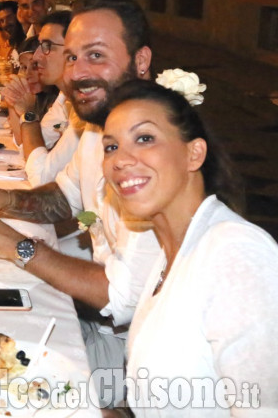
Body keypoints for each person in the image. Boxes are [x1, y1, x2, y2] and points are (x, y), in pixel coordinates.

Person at [0, 0, 161, 406]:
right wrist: (2, 200)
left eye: (96, 56)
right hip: (100, 327)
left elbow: (124, 296)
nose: (78, 73)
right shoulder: (100, 127)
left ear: (141, 60)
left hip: (130, 361)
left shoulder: (158, 151)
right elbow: (64, 196)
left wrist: (16, 246)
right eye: (74, 58)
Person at [102, 80, 278, 415]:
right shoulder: (171, 253)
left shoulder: (234, 252)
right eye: (110, 147)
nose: (120, 161)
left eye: (144, 138)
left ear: (193, 154)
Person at [4, 11, 83, 187]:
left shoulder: (86, 106)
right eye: (40, 46)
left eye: (47, 46)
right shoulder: (64, 98)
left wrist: (28, 113)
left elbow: (41, 178)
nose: (38, 57)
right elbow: (27, 149)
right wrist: (16, 103)